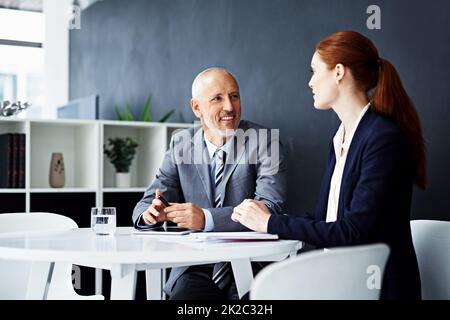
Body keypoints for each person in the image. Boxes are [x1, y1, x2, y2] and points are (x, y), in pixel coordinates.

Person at [232, 31, 425, 300]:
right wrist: (269, 218)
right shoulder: (342, 135)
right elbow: (326, 220)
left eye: (314, 71)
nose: (310, 82)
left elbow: (352, 231)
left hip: (373, 287)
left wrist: (270, 223)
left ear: (338, 72)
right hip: (340, 278)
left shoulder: (383, 139)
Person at [132, 67, 286, 300]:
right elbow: (146, 203)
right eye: (217, 98)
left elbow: (270, 207)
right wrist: (151, 214)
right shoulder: (181, 143)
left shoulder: (264, 140)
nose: (229, 107)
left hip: (252, 263)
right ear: (196, 107)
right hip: (195, 264)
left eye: (234, 96)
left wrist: (206, 219)